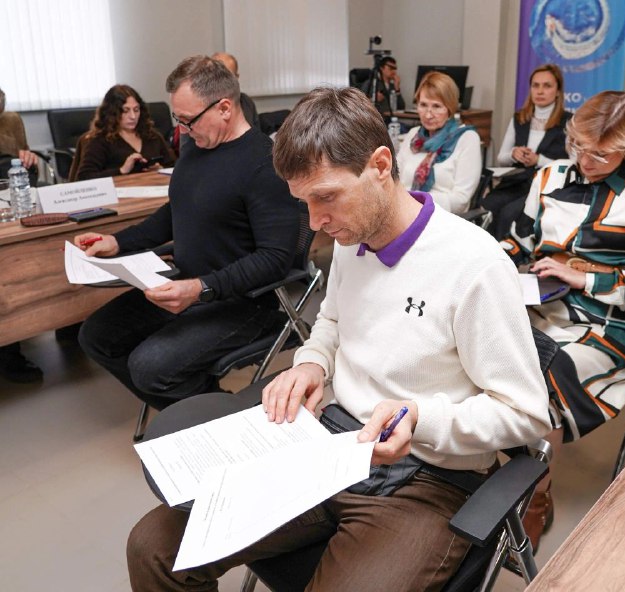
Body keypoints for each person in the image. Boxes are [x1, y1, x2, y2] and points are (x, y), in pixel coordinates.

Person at [126, 86, 552, 591]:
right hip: (331, 444)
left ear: (380, 165)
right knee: (154, 546)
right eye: (303, 202)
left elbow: (525, 414)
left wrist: (420, 417)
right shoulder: (355, 236)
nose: (315, 224)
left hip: (427, 478)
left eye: (325, 197)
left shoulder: (474, 267)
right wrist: (312, 363)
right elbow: (331, 320)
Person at [505, 91, 625, 546]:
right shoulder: (549, 176)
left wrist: (587, 278)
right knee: (476, 351)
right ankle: (486, 472)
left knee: (542, 378)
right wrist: (488, 259)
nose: (585, 161)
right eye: (579, 146)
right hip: (537, 304)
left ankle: (536, 494)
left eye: (601, 154)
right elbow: (520, 241)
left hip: (609, 323)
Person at [75, 56, 299, 411]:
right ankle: (200, 411)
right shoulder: (197, 147)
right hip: (186, 286)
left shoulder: (265, 164)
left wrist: (200, 288)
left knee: (149, 368)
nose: (181, 129)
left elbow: (275, 259)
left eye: (188, 120)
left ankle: (217, 416)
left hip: (242, 302)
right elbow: (175, 211)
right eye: (177, 118)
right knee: (96, 336)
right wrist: (117, 241)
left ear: (224, 108)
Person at [482, 64, 571, 240]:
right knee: (487, 205)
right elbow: (502, 158)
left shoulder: (568, 121)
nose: (540, 91)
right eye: (535, 85)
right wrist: (513, 153)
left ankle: (505, 252)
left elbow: (573, 165)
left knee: (509, 214)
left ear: (558, 91)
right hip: (516, 182)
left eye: (547, 86)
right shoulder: (519, 118)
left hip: (545, 186)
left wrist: (539, 160)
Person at [0, 87, 43, 383]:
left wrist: (28, 158)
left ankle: (10, 348)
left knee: (14, 261)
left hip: (8, 206)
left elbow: (25, 168)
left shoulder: (10, 121)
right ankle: (8, 353)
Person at [396, 71, 481, 214]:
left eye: (436, 106)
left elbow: (460, 201)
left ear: (450, 108)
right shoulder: (413, 135)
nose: (428, 114)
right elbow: (394, 180)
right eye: (423, 105)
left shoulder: (467, 139)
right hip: (403, 212)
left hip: (442, 217)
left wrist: (414, 200)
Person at [75, 84, 175, 180]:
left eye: (136, 110)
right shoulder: (100, 140)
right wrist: (121, 170)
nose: (133, 116)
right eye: (125, 111)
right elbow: (84, 177)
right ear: (112, 113)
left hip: (154, 188)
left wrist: (160, 169)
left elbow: (173, 166)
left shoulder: (152, 136)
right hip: (119, 190)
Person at [211, 52, 259, 129]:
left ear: (236, 77)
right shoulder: (200, 106)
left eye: (228, 76)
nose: (222, 81)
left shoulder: (246, 102)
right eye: (217, 75)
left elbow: (255, 133)